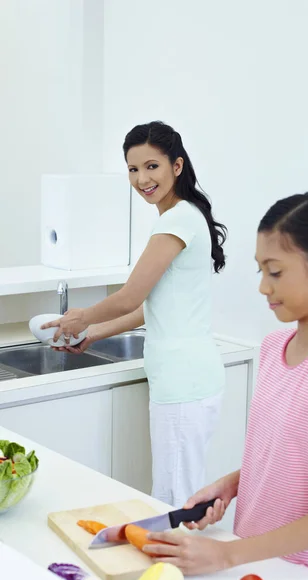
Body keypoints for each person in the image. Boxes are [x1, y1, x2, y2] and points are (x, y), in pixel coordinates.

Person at [143, 192, 308, 580]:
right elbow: (287, 455)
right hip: (256, 566)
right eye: (260, 272)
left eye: (275, 272)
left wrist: (226, 554)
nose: (263, 287)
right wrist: (234, 484)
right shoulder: (273, 349)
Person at [42, 121, 227, 508]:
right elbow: (150, 308)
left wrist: (82, 318)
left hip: (182, 382)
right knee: (178, 496)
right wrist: (93, 333)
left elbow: (130, 297)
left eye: (152, 166)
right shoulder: (183, 215)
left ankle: (174, 568)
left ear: (177, 166)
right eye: (133, 169)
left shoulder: (176, 220)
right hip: (188, 379)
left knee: (173, 504)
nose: (142, 178)